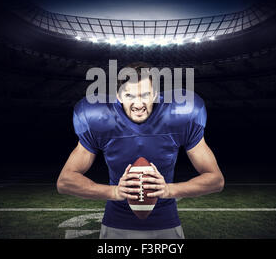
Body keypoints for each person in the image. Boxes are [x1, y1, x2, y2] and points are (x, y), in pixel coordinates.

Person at [57, 62, 224, 239]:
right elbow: (65, 182)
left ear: (156, 95)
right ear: (119, 97)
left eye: (145, 95)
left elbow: (216, 180)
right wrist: (113, 192)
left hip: (166, 225)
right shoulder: (98, 118)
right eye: (129, 95)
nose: (138, 104)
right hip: (116, 226)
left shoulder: (181, 114)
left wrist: (169, 190)